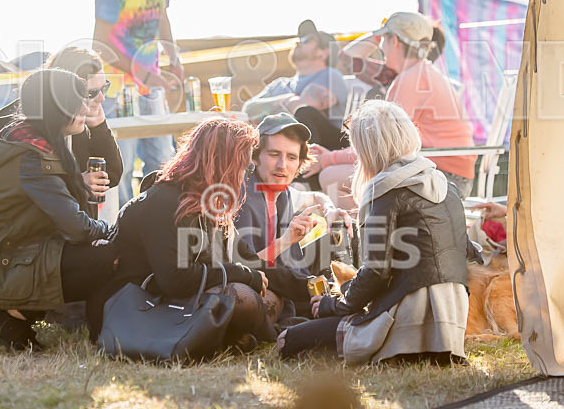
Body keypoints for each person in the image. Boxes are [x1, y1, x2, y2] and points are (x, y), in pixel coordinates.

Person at [277, 100, 470, 365]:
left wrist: (334, 305)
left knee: (288, 340)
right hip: (451, 326)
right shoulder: (445, 185)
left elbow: (377, 271)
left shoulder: (387, 189)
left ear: (368, 149)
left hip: (408, 323)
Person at [0, 69, 116, 350]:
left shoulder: (34, 140)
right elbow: (75, 226)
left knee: (97, 250)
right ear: (55, 109)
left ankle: (14, 317)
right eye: (77, 101)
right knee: (107, 256)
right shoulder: (31, 156)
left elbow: (110, 177)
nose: (87, 106)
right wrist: (113, 230)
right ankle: (13, 311)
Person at [90, 118, 284, 350]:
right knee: (240, 295)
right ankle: (262, 336)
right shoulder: (165, 202)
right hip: (133, 309)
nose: (245, 176)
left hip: (173, 301)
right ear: (224, 163)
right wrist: (240, 274)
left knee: (271, 295)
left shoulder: (209, 204)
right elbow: (176, 280)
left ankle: (230, 337)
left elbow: (251, 262)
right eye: (245, 166)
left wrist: (309, 288)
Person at [305, 12, 476, 203]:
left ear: (394, 40)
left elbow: (383, 145)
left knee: (329, 176)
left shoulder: (409, 79)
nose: (380, 47)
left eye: (383, 39)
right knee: (334, 172)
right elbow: (347, 59)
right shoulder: (420, 72)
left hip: (441, 177)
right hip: (448, 174)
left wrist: (328, 158)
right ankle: (371, 226)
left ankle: (366, 230)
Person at [93, 0, 183, 207]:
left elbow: (162, 17)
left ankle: (158, 220)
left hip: (152, 82)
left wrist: (173, 57)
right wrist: (141, 74)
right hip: (117, 89)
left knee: (163, 158)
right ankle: (121, 231)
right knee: (123, 164)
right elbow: (101, 43)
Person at [0, 47, 122, 219]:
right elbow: (27, 196)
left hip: (72, 230)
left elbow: (111, 176)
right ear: (64, 91)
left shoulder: (76, 123)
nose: (101, 98)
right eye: (91, 92)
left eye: (104, 87)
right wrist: (77, 185)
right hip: (38, 238)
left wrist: (99, 127)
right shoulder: (23, 132)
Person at [235, 113, 352, 321]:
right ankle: (327, 299)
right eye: (273, 154)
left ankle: (339, 293)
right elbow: (244, 267)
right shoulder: (244, 198)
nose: (283, 165)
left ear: (299, 163)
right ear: (255, 156)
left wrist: (330, 210)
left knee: (341, 231)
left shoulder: (283, 191)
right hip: (265, 279)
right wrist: (287, 240)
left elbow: (315, 196)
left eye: (291, 157)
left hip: (291, 273)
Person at [242, 20, 349, 150]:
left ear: (324, 52)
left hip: (326, 148)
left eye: (307, 39)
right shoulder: (280, 83)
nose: (298, 42)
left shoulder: (331, 75)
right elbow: (248, 110)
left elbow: (303, 106)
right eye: (299, 38)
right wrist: (286, 100)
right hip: (282, 146)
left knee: (304, 112)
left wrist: (269, 109)